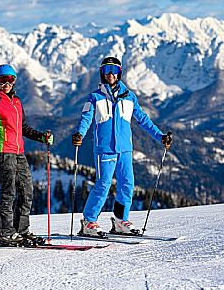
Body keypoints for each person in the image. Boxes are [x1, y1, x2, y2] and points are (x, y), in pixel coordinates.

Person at [72, 56, 172, 237]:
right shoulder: (95, 97)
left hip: (125, 149)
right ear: (102, 73)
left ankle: (120, 221)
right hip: (105, 149)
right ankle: (88, 222)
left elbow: (143, 120)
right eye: (107, 70)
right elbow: (86, 118)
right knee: (103, 185)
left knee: (127, 184)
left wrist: (160, 136)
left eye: (115, 70)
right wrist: (80, 133)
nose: (111, 74)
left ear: (120, 73)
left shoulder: (129, 97)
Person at [0, 64, 54, 246]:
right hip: (3, 153)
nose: (6, 83)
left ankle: (20, 230)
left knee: (27, 191)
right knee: (8, 192)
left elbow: (22, 128)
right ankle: (4, 232)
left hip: (19, 153)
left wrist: (41, 137)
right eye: (2, 80)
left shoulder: (16, 101)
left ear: (14, 81)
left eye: (10, 80)